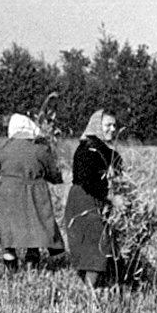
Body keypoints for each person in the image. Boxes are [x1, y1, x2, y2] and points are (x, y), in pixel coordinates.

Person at [0, 113, 64, 270]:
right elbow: (55, 175)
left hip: (9, 193)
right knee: (34, 229)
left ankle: (11, 266)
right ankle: (32, 265)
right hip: (36, 194)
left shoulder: (5, 149)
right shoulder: (40, 150)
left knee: (9, 231)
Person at [63, 109, 125, 289]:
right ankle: (90, 293)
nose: (113, 129)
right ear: (97, 126)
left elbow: (118, 167)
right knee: (97, 246)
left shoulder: (105, 149)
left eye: (115, 125)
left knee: (104, 245)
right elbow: (87, 181)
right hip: (84, 201)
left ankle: (103, 285)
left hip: (99, 201)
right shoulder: (86, 149)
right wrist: (112, 197)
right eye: (108, 125)